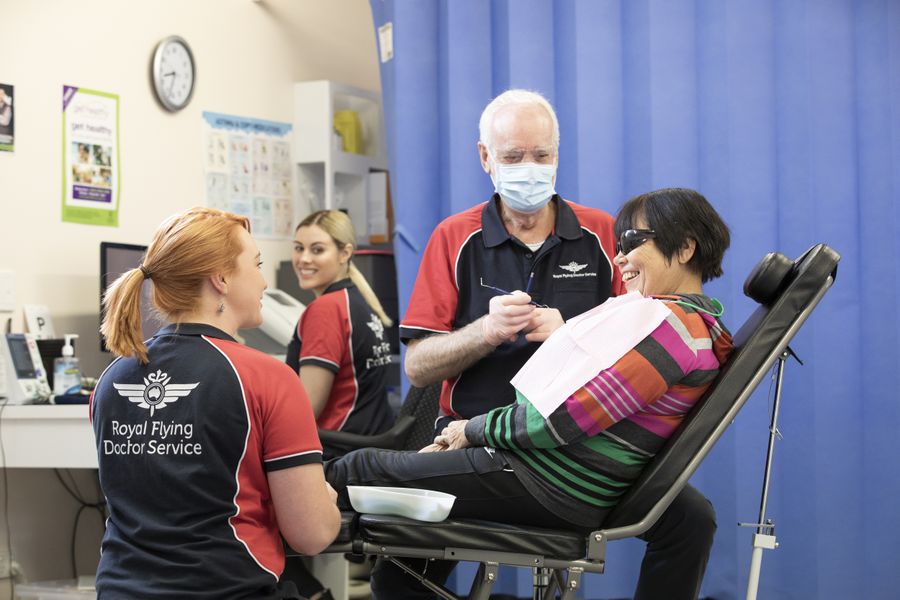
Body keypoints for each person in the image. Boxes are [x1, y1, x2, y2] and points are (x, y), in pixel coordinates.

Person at [327, 188, 733, 600]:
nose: (619, 258)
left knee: (357, 469)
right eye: (618, 244)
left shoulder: (671, 328)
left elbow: (564, 417)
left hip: (547, 480)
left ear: (685, 248)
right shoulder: (681, 323)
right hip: (547, 470)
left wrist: (470, 429)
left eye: (632, 242)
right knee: (399, 574)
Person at [91, 207, 340, 599]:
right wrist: (325, 501)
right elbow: (312, 535)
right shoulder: (267, 378)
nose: (262, 280)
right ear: (221, 278)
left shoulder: (111, 379)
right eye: (256, 264)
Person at [402, 89, 624, 431]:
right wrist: (486, 332)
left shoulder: (601, 232)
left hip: (576, 435)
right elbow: (417, 368)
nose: (530, 169)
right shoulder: (453, 237)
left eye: (541, 155)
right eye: (513, 157)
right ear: (485, 157)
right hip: (472, 434)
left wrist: (571, 337)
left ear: (557, 157)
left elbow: (642, 348)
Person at [286, 209, 396, 458]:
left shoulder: (326, 309)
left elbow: (307, 408)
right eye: (298, 248)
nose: (303, 259)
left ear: (345, 253)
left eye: (317, 250)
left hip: (336, 454)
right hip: (367, 449)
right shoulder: (359, 302)